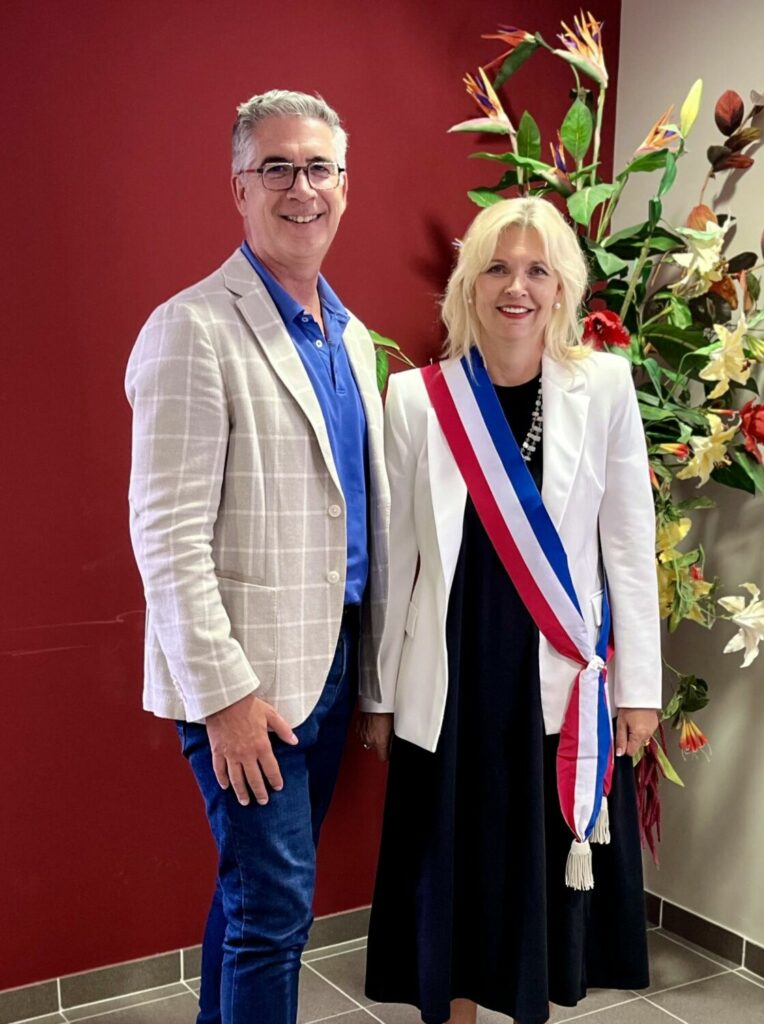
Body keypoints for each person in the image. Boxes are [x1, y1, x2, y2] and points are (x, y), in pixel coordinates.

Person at [359, 196, 661, 1024]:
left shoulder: (604, 387)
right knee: (454, 866)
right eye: (496, 268)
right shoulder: (417, 399)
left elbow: (629, 544)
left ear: (562, 287)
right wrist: (378, 694)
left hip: (555, 672)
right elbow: (394, 560)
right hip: (452, 669)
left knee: (536, 871)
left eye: (536, 270)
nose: (516, 287)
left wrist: (640, 689)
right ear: (469, 285)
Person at [126, 89, 389, 1024]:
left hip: (330, 663)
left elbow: (358, 516)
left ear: (345, 187)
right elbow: (166, 536)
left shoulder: (352, 339)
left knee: (254, 897)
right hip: (247, 683)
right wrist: (226, 699)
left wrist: (372, 679)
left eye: (319, 168)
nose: (300, 188)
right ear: (239, 188)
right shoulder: (191, 327)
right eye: (276, 167)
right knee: (275, 911)